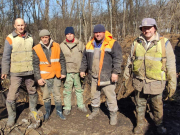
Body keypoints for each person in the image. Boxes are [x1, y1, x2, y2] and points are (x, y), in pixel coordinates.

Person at [124, 18, 176, 134]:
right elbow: (130, 61)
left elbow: (171, 65)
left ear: (155, 28)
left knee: (157, 106)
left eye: (149, 27)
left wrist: (172, 84)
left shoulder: (164, 43)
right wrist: (125, 76)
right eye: (144, 28)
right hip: (139, 81)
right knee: (140, 104)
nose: (146, 30)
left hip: (156, 82)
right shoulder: (136, 42)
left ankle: (159, 124)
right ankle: (140, 124)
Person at [80, 24, 123, 125]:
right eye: (96, 32)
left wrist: (115, 72)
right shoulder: (90, 44)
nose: (98, 34)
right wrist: (82, 69)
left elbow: (118, 59)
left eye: (100, 32)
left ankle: (113, 115)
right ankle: (95, 111)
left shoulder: (112, 43)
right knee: (94, 95)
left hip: (107, 76)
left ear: (104, 32)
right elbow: (84, 59)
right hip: (93, 75)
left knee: (110, 97)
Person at [1, 18, 37, 127]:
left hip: (29, 71)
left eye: (22, 25)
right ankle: (11, 117)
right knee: (12, 95)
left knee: (32, 91)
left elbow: (34, 54)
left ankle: (33, 111)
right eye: (18, 25)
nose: (20, 27)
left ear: (25, 25)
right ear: (14, 26)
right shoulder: (10, 39)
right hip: (16, 72)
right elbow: (6, 56)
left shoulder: (30, 37)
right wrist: (5, 70)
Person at [33, 29, 66, 121]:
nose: (45, 39)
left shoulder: (57, 46)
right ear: (40, 38)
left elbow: (62, 59)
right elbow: (35, 65)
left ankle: (59, 112)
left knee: (57, 95)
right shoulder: (36, 48)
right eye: (43, 38)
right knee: (46, 96)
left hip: (56, 75)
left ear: (49, 37)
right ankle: (47, 112)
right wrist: (38, 78)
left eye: (46, 37)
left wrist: (63, 72)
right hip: (44, 77)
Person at [60, 27, 87, 115]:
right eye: (67, 34)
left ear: (74, 34)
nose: (69, 35)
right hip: (67, 72)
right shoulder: (61, 46)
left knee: (79, 89)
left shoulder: (80, 44)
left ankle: (81, 105)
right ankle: (67, 107)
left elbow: (85, 57)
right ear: (65, 35)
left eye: (71, 34)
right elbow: (59, 59)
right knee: (67, 91)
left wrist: (84, 69)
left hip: (78, 71)